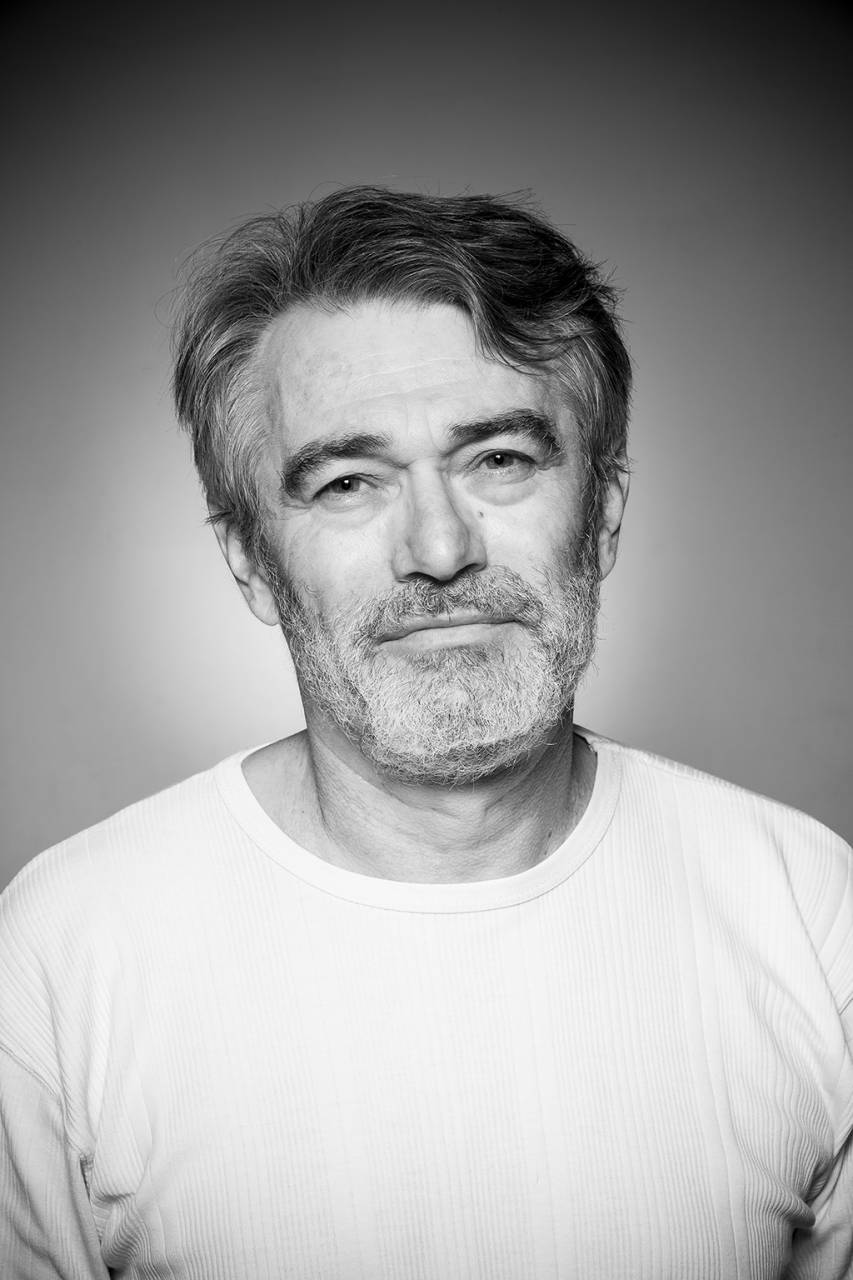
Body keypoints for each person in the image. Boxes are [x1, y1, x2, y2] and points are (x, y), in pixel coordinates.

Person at [1, 186, 850, 1280]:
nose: (441, 550)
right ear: (251, 561)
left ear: (601, 513)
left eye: (499, 459)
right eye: (348, 482)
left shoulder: (810, 911)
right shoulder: (61, 953)